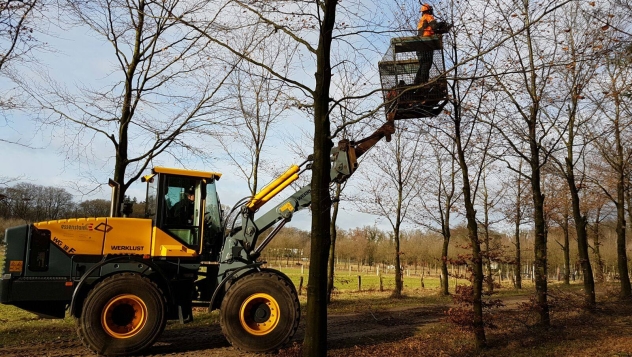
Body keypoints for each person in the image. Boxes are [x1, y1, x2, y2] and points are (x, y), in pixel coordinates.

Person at [415, 3, 436, 84]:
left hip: (419, 45)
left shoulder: (421, 20)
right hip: (426, 44)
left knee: (423, 64)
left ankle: (417, 81)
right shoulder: (429, 17)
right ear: (429, 10)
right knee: (427, 63)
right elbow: (434, 26)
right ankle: (423, 82)